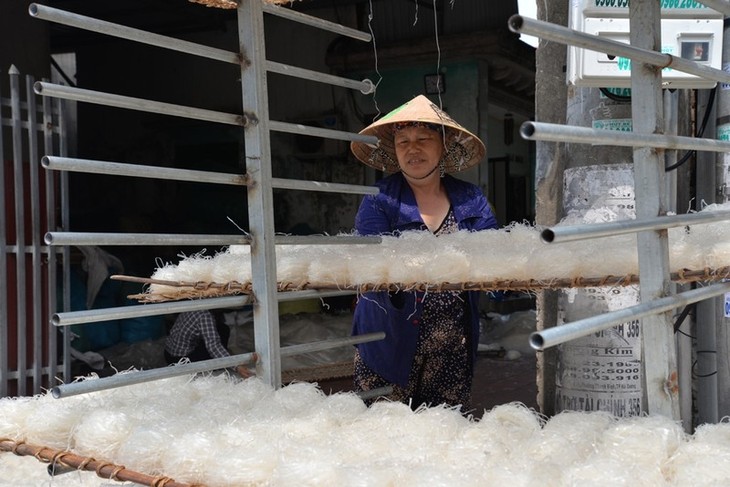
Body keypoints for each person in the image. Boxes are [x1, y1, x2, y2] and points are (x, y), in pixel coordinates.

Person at [349, 95, 498, 412]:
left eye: (423, 139)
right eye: (403, 141)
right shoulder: (378, 200)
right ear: (394, 150)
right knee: (386, 434)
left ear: (443, 145)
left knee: (442, 435)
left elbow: (493, 255)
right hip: (388, 342)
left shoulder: (470, 199)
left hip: (451, 348)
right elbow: (376, 261)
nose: (412, 149)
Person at [164, 309, 252, 378]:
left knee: (218, 329)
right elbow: (214, 346)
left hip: (168, 354)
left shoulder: (193, 305)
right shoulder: (205, 316)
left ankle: (222, 358)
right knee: (223, 330)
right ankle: (220, 365)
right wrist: (236, 366)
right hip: (182, 361)